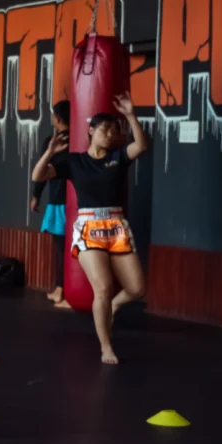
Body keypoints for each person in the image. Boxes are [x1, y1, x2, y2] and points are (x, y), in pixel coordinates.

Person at [31, 92, 147, 364]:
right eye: (105, 129)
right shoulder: (74, 161)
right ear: (91, 131)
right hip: (89, 226)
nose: (110, 134)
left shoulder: (119, 157)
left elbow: (140, 146)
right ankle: (106, 346)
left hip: (116, 226)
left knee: (137, 288)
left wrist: (130, 114)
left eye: (113, 131)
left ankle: (113, 307)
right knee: (103, 288)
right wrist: (49, 152)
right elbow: (38, 175)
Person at [31, 100, 71, 308]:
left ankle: (61, 288)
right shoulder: (79, 138)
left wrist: (36, 195)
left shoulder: (51, 141)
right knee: (69, 249)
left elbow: (42, 172)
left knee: (61, 250)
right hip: (74, 202)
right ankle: (61, 288)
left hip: (58, 201)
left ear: (57, 118)